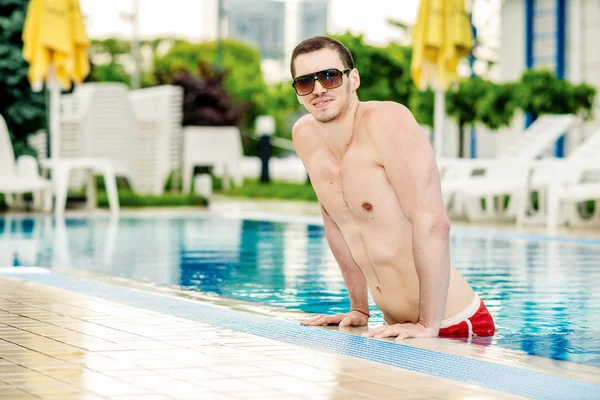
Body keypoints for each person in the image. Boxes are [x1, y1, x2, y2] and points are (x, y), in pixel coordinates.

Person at [290, 36, 495, 340]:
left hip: (451, 323)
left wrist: (428, 324)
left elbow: (433, 221)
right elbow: (337, 222)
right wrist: (359, 309)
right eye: (306, 82)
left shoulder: (386, 121)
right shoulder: (305, 136)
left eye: (330, 76)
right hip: (397, 327)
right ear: (297, 92)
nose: (319, 89)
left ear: (353, 78)